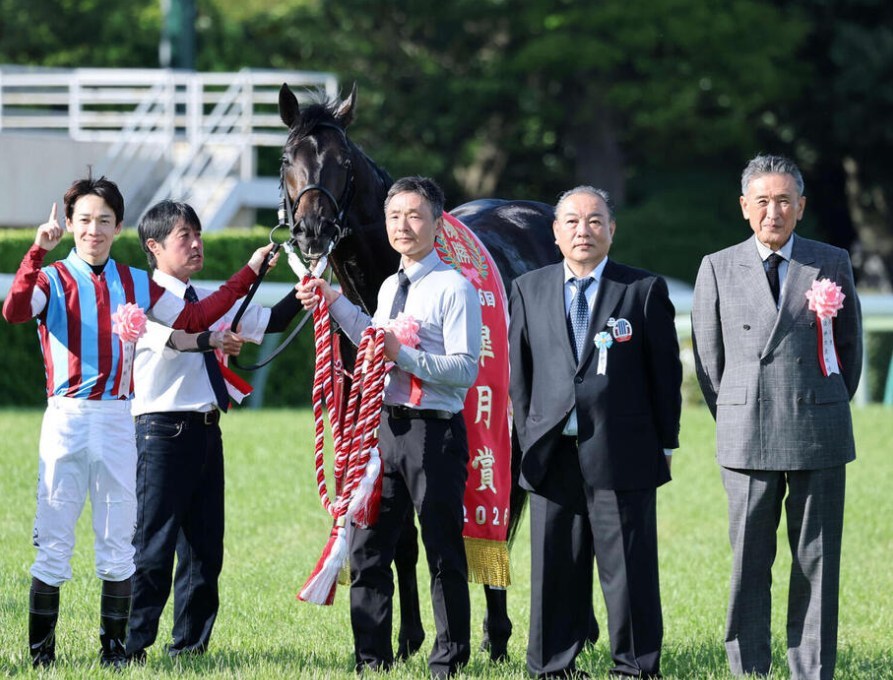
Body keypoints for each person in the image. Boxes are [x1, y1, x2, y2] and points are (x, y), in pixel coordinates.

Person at [1, 176, 272, 668]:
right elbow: (15, 311)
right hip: (65, 416)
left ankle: (116, 656)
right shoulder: (52, 278)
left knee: (119, 544)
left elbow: (194, 319)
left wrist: (247, 276)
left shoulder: (136, 282)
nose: (93, 230)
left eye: (104, 220)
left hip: (119, 416)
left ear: (118, 226)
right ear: (69, 224)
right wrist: (35, 252)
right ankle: (41, 658)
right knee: (55, 542)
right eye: (84, 220)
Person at [296, 176, 482, 678]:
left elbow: (465, 370)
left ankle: (449, 659)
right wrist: (332, 302)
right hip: (381, 433)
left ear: (437, 223)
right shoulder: (387, 287)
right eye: (394, 215)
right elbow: (371, 335)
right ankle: (370, 658)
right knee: (369, 546)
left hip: (434, 434)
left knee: (442, 547)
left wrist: (406, 356)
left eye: (415, 215)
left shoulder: (455, 288)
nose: (403, 225)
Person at [691, 154, 862, 679]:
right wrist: (744, 405)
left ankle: (811, 668)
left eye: (784, 200)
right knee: (749, 560)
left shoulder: (829, 262)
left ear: (801, 207)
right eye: (762, 201)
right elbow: (709, 362)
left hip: (818, 425)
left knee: (817, 558)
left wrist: (822, 398)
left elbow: (848, 351)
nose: (773, 211)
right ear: (745, 207)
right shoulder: (716, 267)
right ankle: (750, 666)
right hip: (746, 431)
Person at [509, 185, 681, 678]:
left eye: (595, 221)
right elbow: (519, 376)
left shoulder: (642, 290)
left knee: (628, 567)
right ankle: (552, 665)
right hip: (550, 451)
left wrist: (665, 442)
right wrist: (529, 438)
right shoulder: (530, 288)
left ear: (611, 230)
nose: (583, 231)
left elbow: (665, 376)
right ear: (556, 233)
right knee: (553, 566)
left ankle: (635, 666)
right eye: (572, 222)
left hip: (621, 449)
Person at [124, 200, 300, 662]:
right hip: (160, 432)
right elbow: (195, 327)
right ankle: (131, 645)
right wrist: (247, 272)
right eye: (185, 236)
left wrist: (309, 278)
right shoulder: (146, 299)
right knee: (154, 546)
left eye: (198, 234)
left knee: (205, 548)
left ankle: (189, 648)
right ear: (154, 246)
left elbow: (274, 321)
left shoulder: (204, 296)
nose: (197, 244)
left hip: (206, 431)